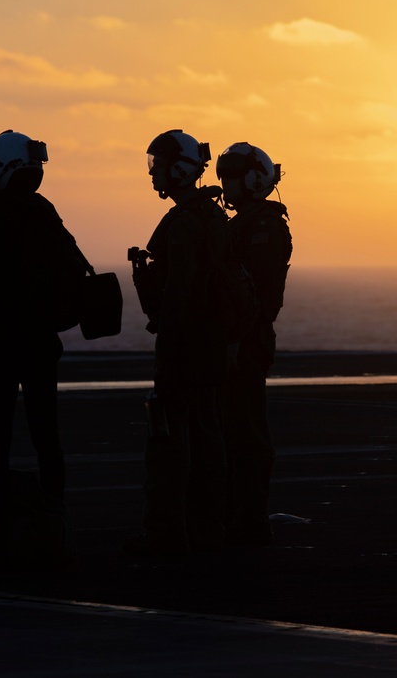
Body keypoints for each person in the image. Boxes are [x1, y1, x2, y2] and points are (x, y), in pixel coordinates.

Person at [0, 129, 90, 564]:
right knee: (46, 436)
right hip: (41, 340)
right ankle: (57, 528)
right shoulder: (43, 210)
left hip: (6, 340)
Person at [126, 129, 230, 556]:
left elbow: (180, 293)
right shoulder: (212, 216)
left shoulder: (186, 222)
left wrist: (166, 349)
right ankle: (207, 533)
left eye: (159, 165)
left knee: (168, 443)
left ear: (180, 168)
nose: (153, 174)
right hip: (210, 346)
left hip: (183, 347)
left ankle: (165, 536)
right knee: (207, 438)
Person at [215, 142, 292, 546]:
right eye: (223, 176)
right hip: (234, 341)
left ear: (255, 177)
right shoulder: (242, 222)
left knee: (247, 432)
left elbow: (257, 297)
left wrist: (235, 341)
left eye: (233, 176)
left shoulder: (264, 227)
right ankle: (234, 515)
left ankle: (251, 519)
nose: (227, 184)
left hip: (247, 342)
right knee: (231, 431)